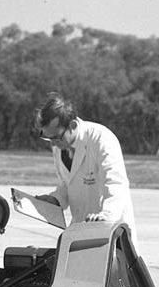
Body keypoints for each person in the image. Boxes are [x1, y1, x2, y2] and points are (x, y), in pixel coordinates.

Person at [34, 92, 136, 241]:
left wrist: (106, 215)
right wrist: (54, 201)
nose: (53, 143)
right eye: (48, 138)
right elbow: (67, 184)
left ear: (73, 125)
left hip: (111, 229)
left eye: (56, 137)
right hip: (80, 229)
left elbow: (116, 183)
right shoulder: (59, 146)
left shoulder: (101, 139)